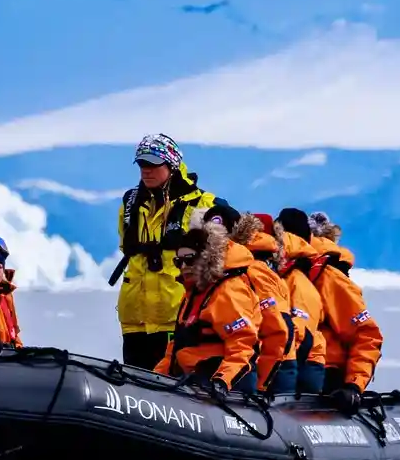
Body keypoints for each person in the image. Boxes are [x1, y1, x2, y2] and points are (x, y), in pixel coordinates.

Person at [115, 133, 216, 371]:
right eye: (141, 164)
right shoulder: (130, 204)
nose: (145, 170)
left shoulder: (202, 205)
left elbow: (218, 257)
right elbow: (125, 245)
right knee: (137, 388)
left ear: (171, 164)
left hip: (178, 317)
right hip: (135, 319)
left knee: (175, 388)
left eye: (152, 164)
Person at [277, 208, 382, 412]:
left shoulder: (328, 278)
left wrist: (353, 385)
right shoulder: (274, 274)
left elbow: (366, 334)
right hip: (286, 372)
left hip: (324, 377)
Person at [152, 211, 261, 394]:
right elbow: (176, 348)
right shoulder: (192, 295)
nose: (184, 267)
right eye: (179, 261)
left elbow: (242, 346)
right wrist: (154, 378)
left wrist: (221, 382)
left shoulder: (227, 292)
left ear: (206, 258)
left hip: (224, 386)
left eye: (190, 259)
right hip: (194, 382)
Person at [208, 205, 292, 395]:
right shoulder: (211, 277)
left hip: (260, 366)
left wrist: (260, 385)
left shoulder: (251, 271)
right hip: (242, 366)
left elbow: (278, 331)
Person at [269, 209, 328, 397]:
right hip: (287, 363)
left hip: (303, 368)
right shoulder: (282, 278)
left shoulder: (298, 283)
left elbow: (303, 335)